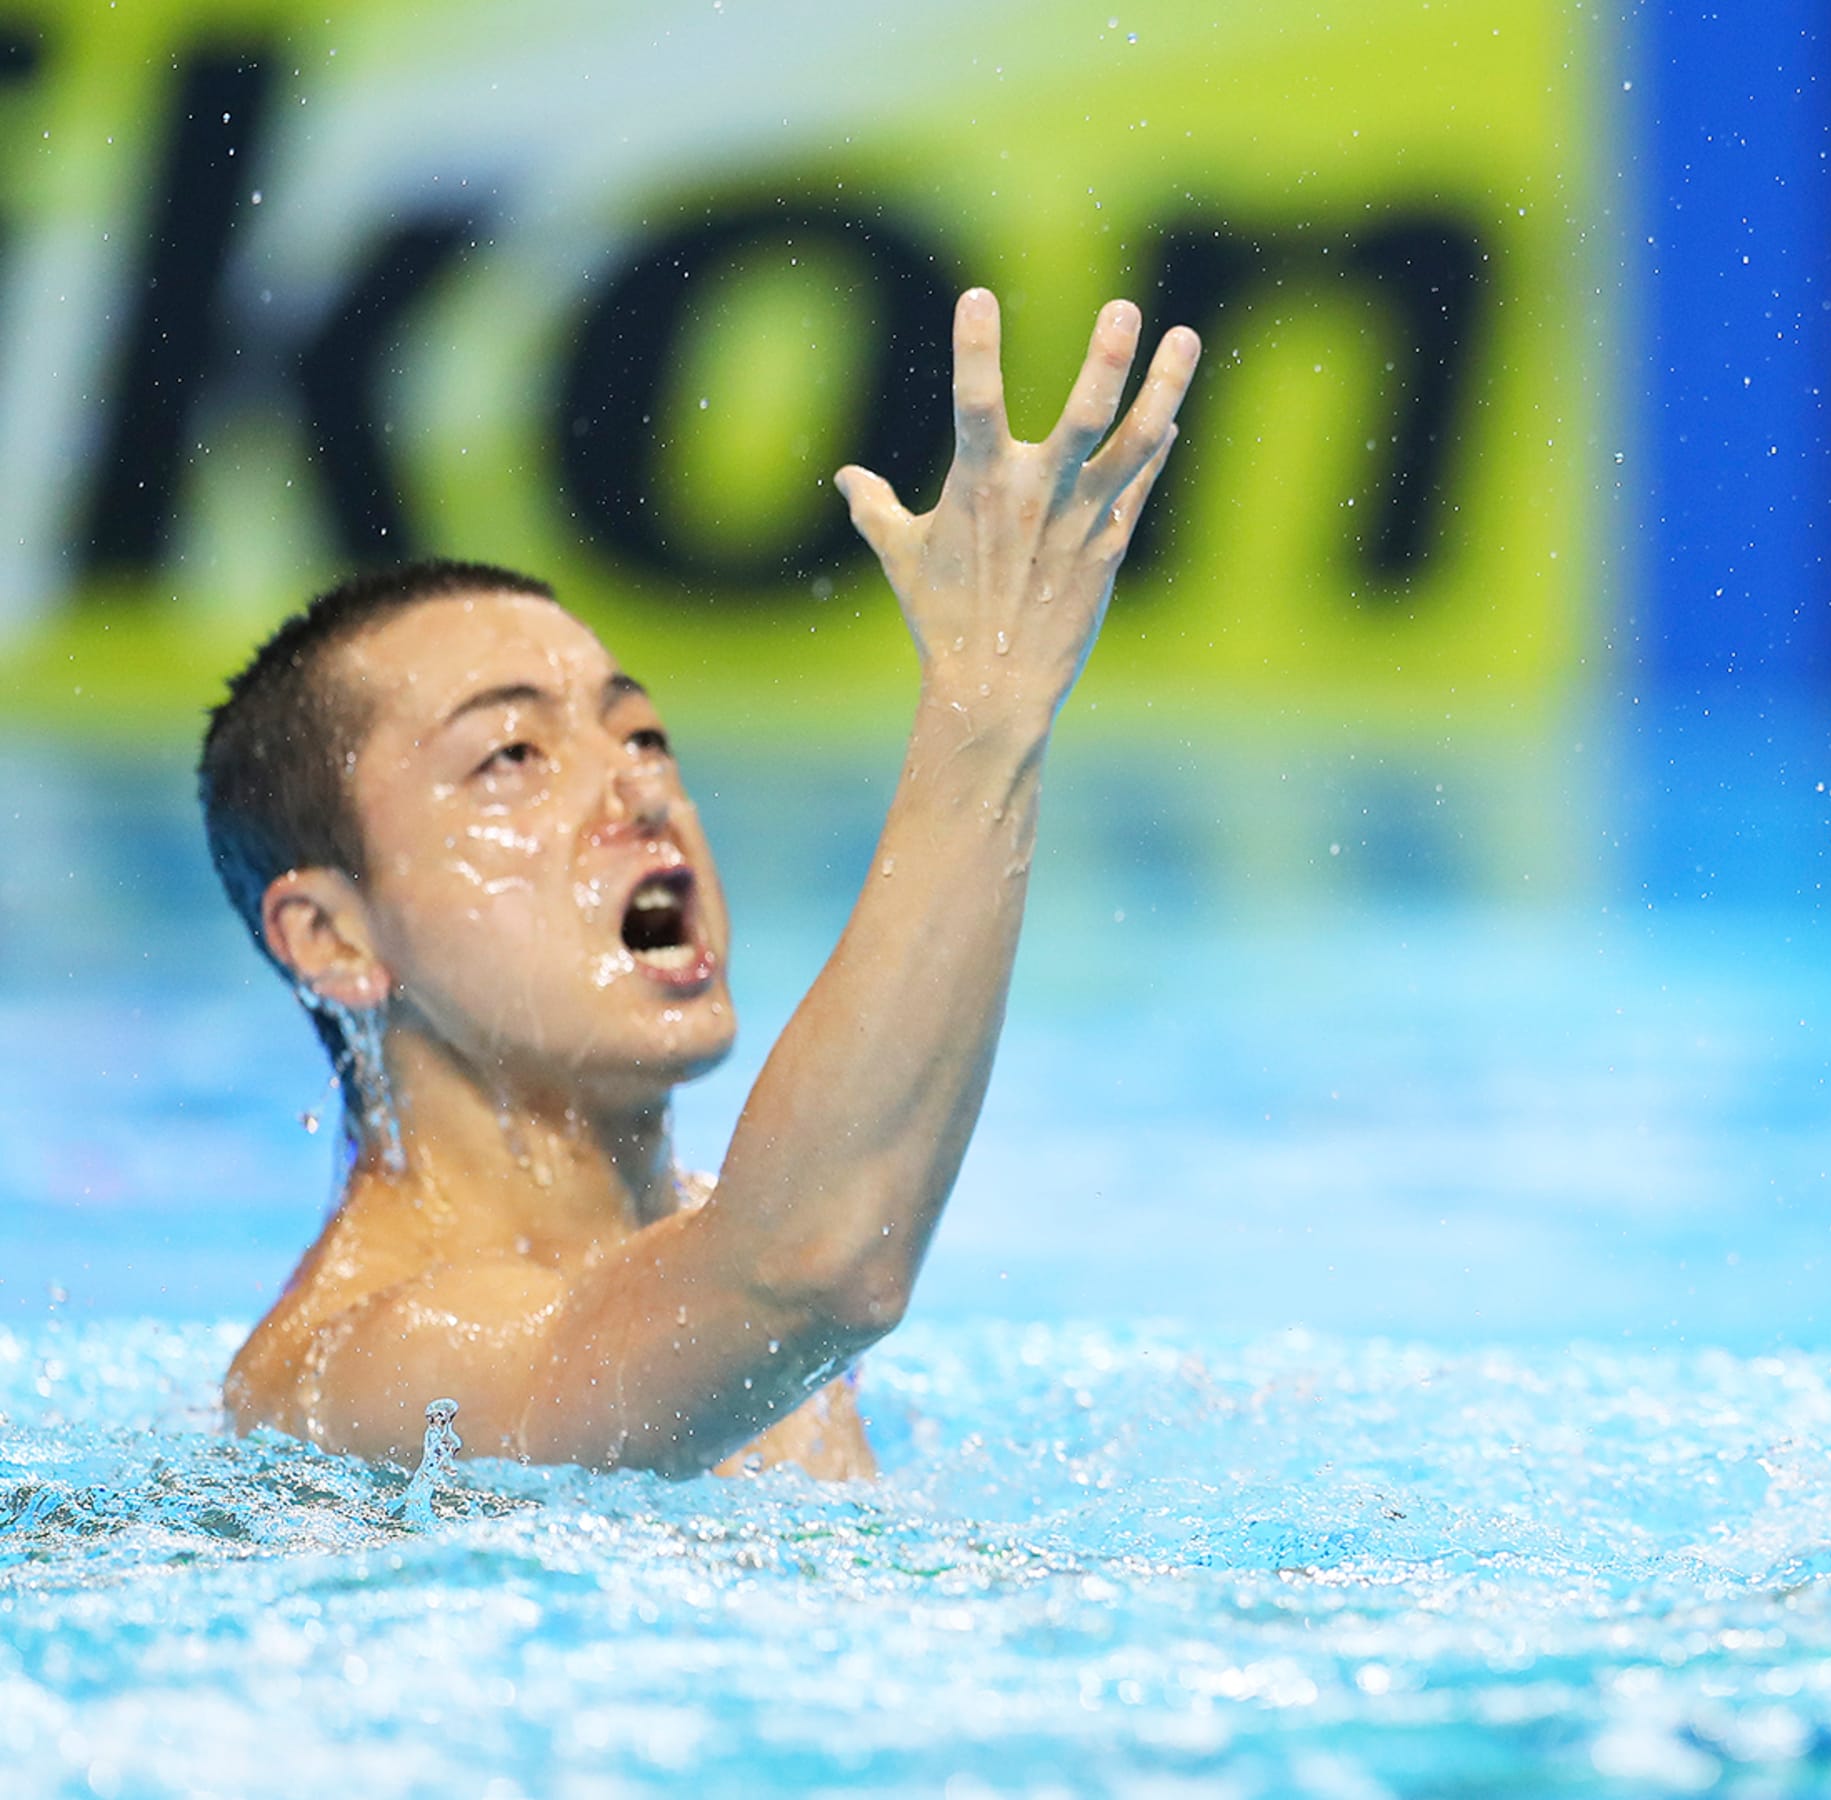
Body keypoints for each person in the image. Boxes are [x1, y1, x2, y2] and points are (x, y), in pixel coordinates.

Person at [201, 290, 1197, 1478]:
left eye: (642, 737)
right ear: (328, 934)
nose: (633, 791)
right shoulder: (369, 1368)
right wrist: (987, 710)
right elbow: (813, 1271)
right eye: (512, 756)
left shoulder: (717, 1220)